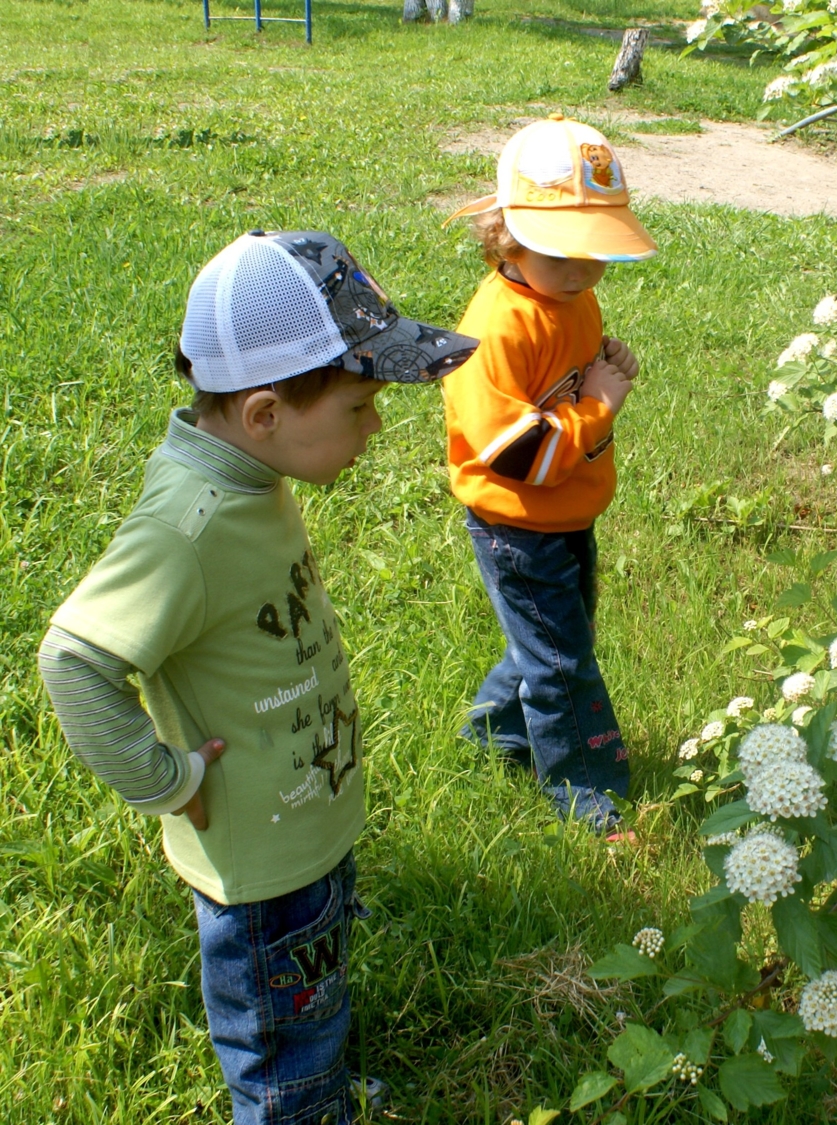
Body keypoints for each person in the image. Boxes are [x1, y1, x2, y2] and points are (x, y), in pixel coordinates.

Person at [36, 230, 477, 1125]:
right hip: (262, 865)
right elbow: (74, 659)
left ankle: (315, 1080)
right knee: (282, 1044)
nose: (377, 426)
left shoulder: (249, 474)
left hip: (304, 829)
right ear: (266, 413)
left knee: (311, 999)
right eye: (359, 407)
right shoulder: (187, 525)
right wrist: (167, 779)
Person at [443, 114, 656, 833]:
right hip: (517, 523)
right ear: (505, 232)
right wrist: (598, 404)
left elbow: (574, 377)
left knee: (554, 641)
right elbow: (515, 455)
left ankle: (492, 736)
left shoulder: (570, 295)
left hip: (569, 512)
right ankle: (590, 794)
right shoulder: (495, 327)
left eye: (595, 253)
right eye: (562, 252)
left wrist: (603, 374)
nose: (582, 269)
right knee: (563, 660)